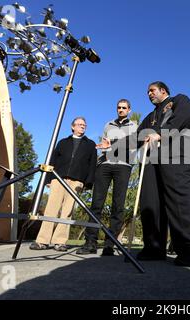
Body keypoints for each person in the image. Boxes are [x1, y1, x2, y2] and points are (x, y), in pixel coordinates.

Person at [97, 81, 190, 267]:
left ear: (163, 90)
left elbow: (185, 118)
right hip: (153, 161)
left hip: (179, 155)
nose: (149, 94)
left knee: (181, 200)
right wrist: (113, 146)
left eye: (152, 90)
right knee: (150, 202)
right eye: (147, 92)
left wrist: (161, 133)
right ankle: (154, 247)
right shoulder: (150, 117)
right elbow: (136, 138)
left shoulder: (180, 100)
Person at [77, 99, 138, 256]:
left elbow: (132, 143)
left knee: (118, 206)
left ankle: (110, 244)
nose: (121, 110)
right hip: (105, 164)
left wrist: (112, 144)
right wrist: (105, 147)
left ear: (129, 110)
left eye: (124, 108)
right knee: (96, 203)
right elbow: (104, 143)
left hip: (123, 166)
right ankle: (90, 242)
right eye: (119, 107)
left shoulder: (134, 126)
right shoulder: (108, 125)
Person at [30, 116, 97, 252]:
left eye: (84, 125)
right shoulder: (62, 142)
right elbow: (52, 159)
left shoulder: (90, 144)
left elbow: (92, 165)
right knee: (51, 209)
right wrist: (48, 179)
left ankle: (60, 242)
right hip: (58, 178)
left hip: (77, 181)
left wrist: (88, 183)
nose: (82, 126)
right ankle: (42, 241)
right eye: (79, 124)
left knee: (67, 212)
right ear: (72, 127)